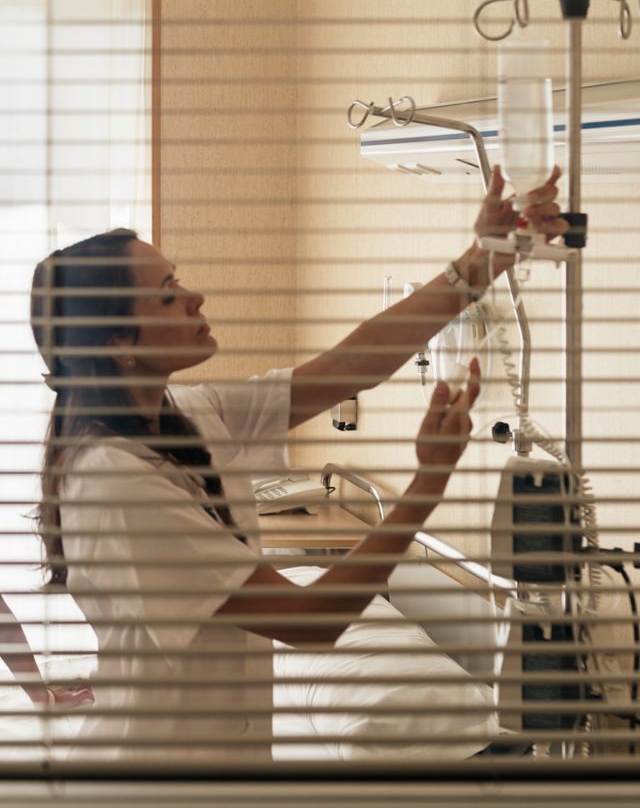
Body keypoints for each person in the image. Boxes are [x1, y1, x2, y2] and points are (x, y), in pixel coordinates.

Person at [27, 165, 566, 763]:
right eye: (167, 294)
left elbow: (347, 367)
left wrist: (480, 262)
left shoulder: (183, 412)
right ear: (118, 346)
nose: (194, 296)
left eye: (178, 281)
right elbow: (310, 619)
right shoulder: (114, 481)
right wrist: (425, 487)